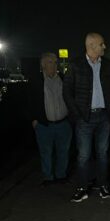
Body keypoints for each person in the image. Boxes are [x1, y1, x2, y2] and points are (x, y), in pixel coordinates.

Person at [63, 33, 110, 203]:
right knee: (83, 155)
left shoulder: (109, 65)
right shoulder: (76, 65)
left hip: (104, 116)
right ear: (91, 45)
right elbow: (67, 91)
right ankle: (82, 187)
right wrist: (77, 115)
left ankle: (103, 185)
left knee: (103, 153)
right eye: (102, 44)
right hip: (85, 117)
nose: (105, 47)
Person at [28, 53, 72, 185]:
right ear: (43, 65)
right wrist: (33, 119)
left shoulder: (64, 79)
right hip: (44, 124)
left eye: (55, 62)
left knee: (63, 151)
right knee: (46, 152)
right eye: (50, 62)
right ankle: (48, 177)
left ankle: (61, 175)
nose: (54, 65)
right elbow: (29, 100)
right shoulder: (36, 80)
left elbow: (71, 98)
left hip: (63, 122)